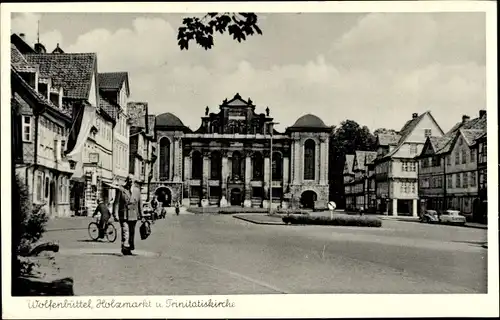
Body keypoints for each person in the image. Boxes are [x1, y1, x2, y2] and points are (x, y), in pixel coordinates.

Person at [113, 175, 144, 255]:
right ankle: (124, 247)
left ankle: (129, 248)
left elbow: (140, 204)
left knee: (132, 232)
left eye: (132, 180)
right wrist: (115, 214)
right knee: (125, 231)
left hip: (133, 215)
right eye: (129, 180)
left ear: (134, 181)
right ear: (127, 180)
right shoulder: (121, 189)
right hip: (124, 214)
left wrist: (142, 215)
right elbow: (116, 203)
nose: (130, 181)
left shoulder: (137, 190)